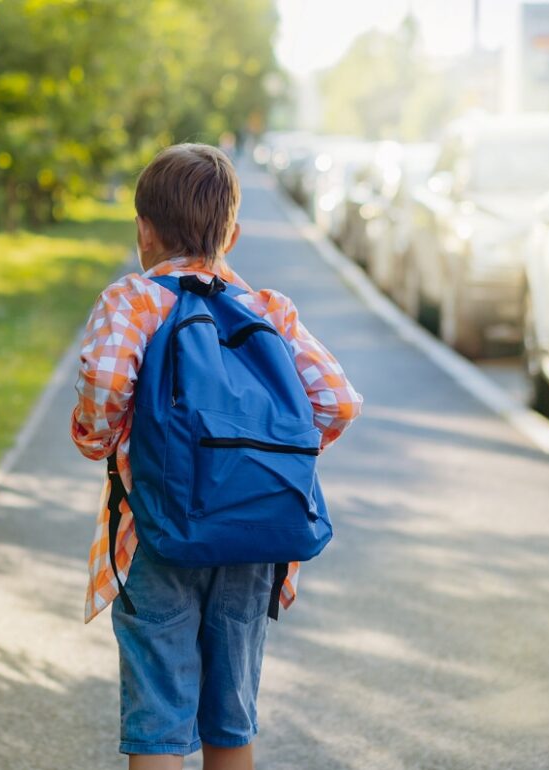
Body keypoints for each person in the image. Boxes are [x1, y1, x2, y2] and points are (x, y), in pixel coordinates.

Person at [70, 143, 362, 770]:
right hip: (254, 537)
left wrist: (100, 440)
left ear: (143, 230)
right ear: (232, 231)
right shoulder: (269, 310)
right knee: (231, 717)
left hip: (157, 533)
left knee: (159, 716)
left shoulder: (135, 301)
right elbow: (337, 403)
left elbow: (102, 396)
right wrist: (269, 462)